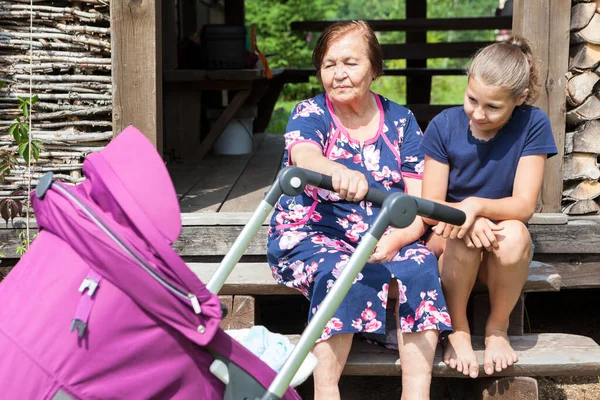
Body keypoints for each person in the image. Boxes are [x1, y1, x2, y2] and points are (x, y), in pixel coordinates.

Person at [266, 20, 452, 400]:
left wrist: (400, 237)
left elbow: (419, 200)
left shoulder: (401, 121)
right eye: (329, 64)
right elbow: (304, 156)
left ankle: (416, 394)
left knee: (420, 265)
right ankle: (326, 391)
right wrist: (338, 171)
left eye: (350, 63)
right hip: (314, 231)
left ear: (374, 68)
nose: (338, 74)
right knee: (341, 270)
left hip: (384, 233)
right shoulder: (310, 112)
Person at [420, 36, 558, 379]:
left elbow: (524, 205)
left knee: (515, 234)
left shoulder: (533, 123)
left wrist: (476, 207)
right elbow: (430, 206)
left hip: (500, 236)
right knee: (465, 236)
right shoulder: (443, 126)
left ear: (520, 99)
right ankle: (459, 331)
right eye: (471, 100)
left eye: (493, 107)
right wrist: (464, 217)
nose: (478, 114)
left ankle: (497, 328)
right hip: (447, 234)